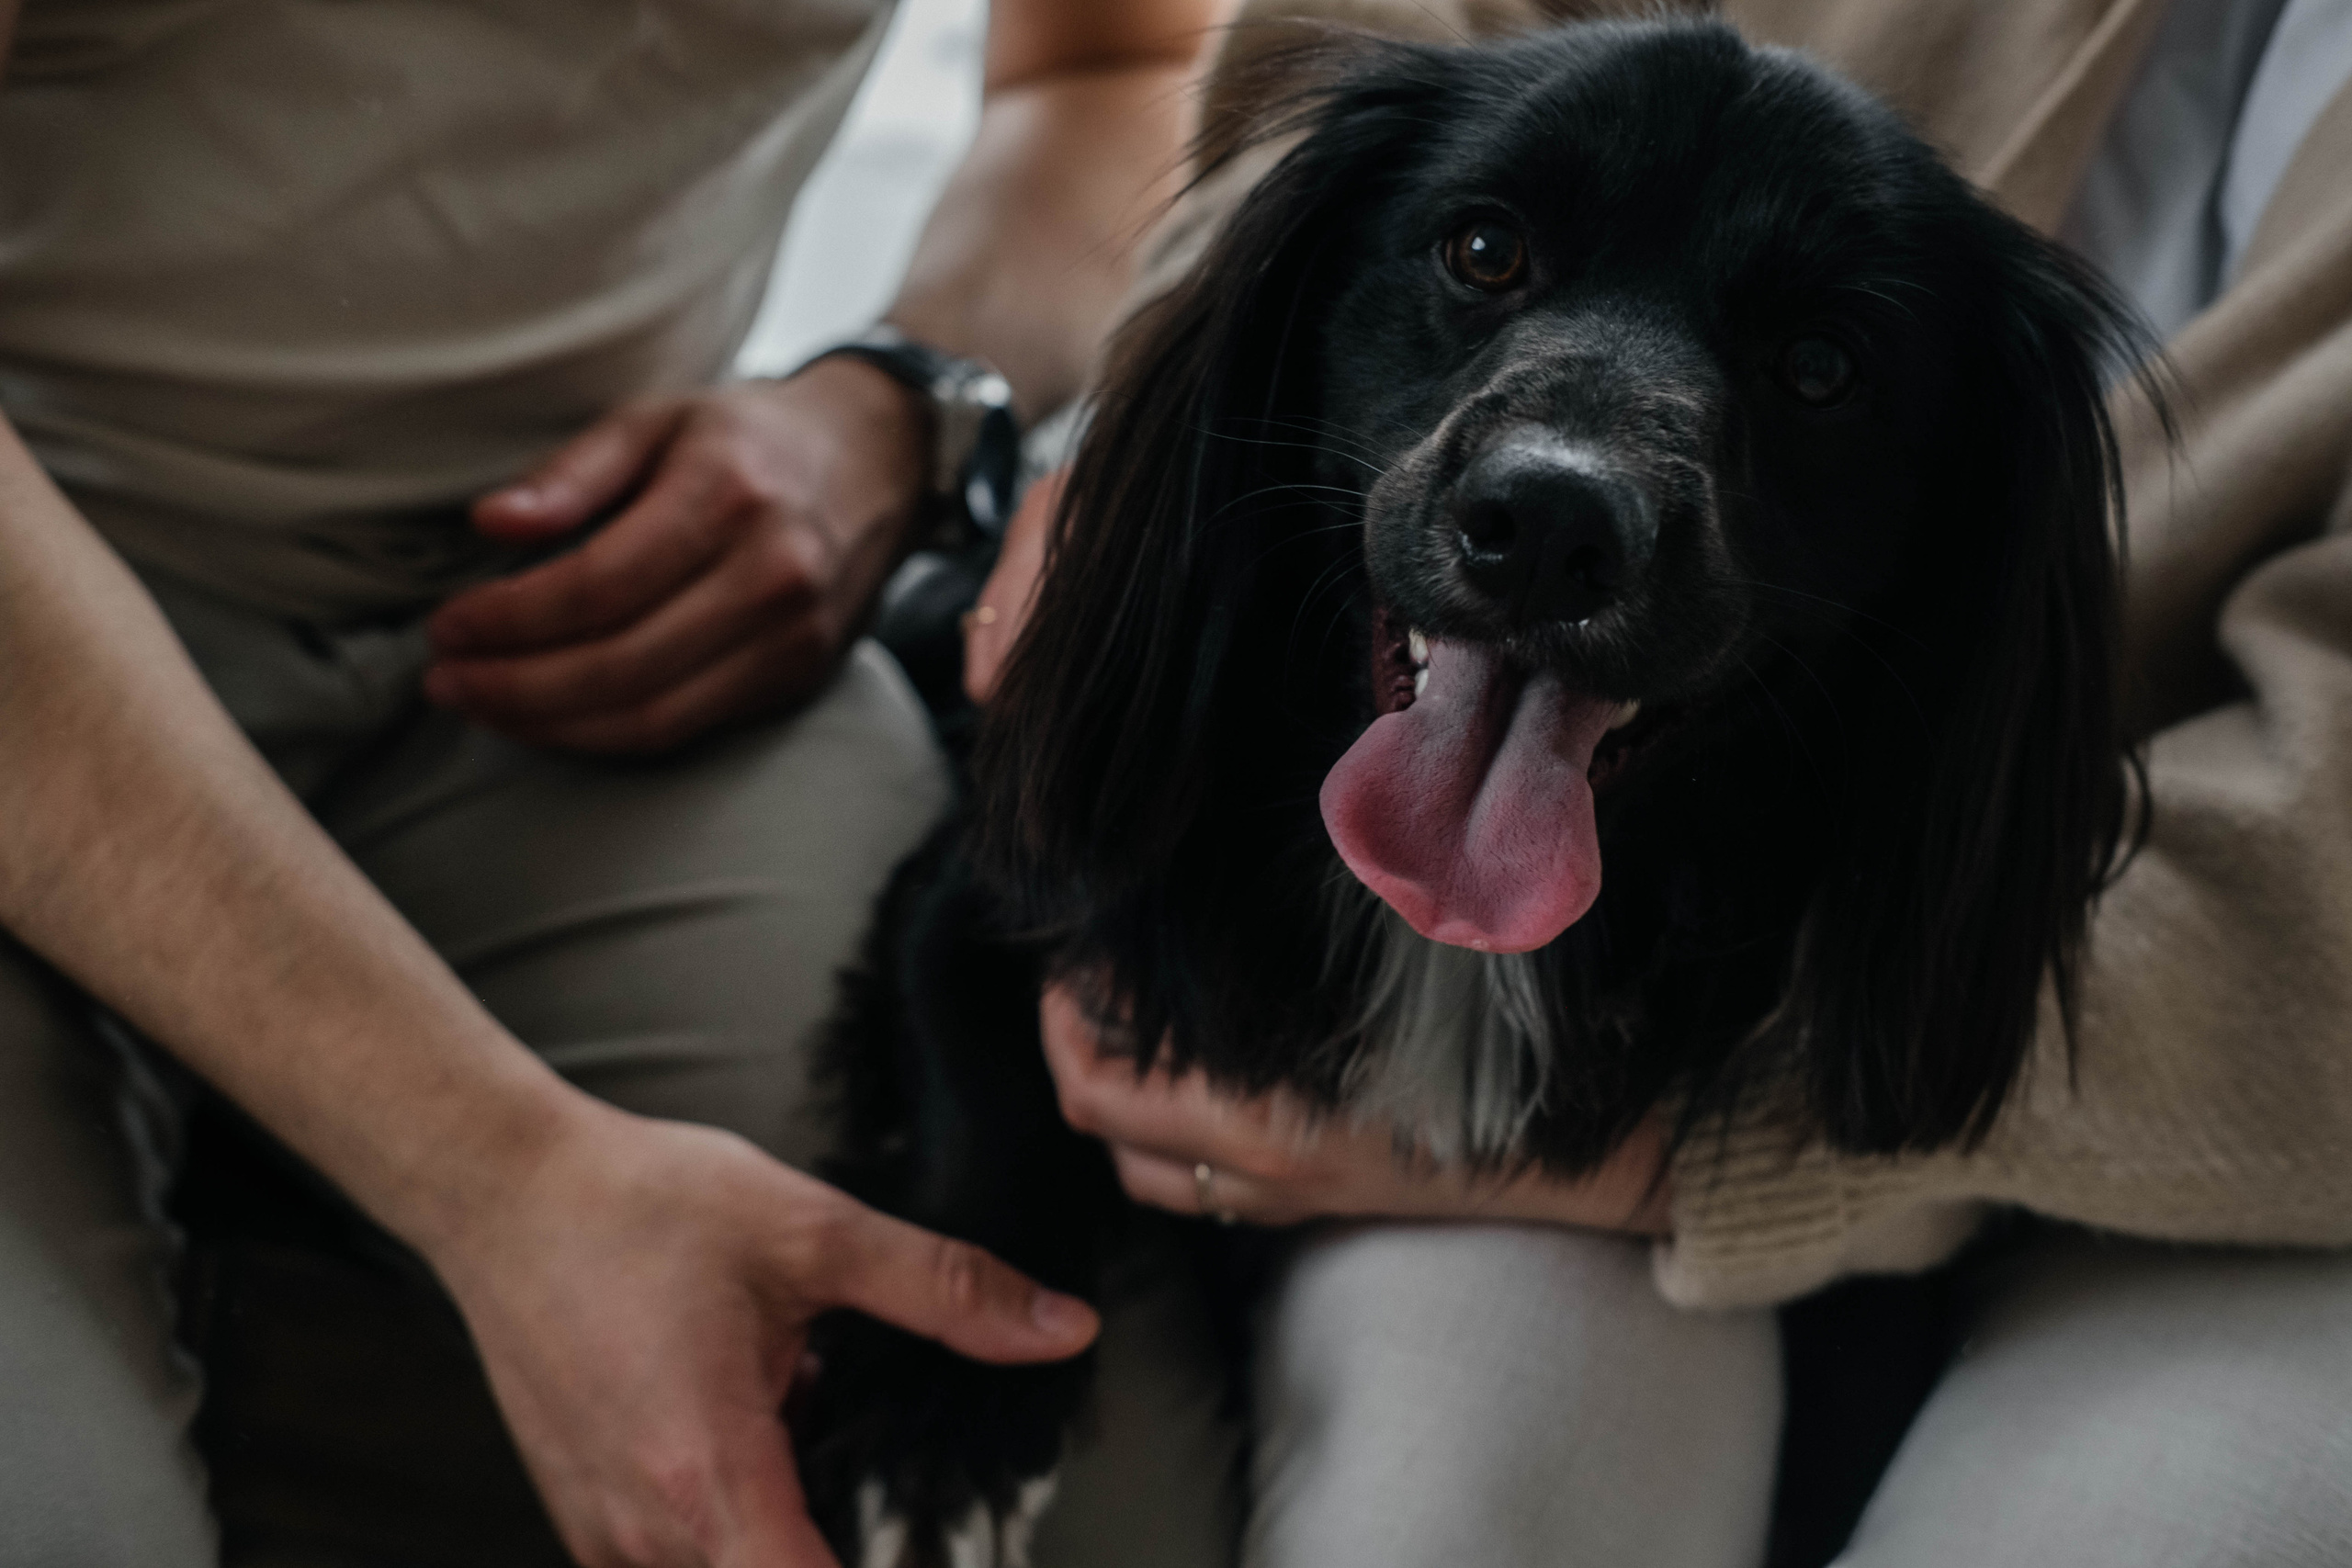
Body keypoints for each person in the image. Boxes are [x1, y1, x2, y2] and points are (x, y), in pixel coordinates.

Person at [970, 0, 2352, 1562]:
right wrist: (1137, 467)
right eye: (1488, 263)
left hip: (2202, 1084)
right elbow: (1331, 95)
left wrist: (1726, 1151)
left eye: (1822, 369)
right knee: (1483, 1467)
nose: (1571, 480)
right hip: (1649, 985)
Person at [0, 1, 1230, 1564]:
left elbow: (1114, 71)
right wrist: (496, 1172)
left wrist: (896, 396)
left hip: (578, 621)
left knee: (1059, 1482)